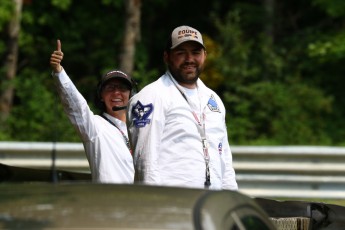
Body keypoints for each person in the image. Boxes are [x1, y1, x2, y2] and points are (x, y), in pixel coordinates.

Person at [128, 25, 238, 190]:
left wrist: (231, 200)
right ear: (167, 56)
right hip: (173, 205)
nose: (189, 59)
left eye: (195, 52)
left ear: (205, 56)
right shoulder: (151, 97)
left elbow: (225, 159)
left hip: (211, 204)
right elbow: (145, 161)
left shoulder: (213, 99)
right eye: (181, 53)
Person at [50, 39, 135, 183]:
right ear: (101, 95)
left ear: (130, 94)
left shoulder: (140, 127)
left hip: (141, 202)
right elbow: (76, 106)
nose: (116, 93)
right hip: (109, 202)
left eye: (122, 88)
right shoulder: (95, 127)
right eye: (110, 88)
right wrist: (59, 72)